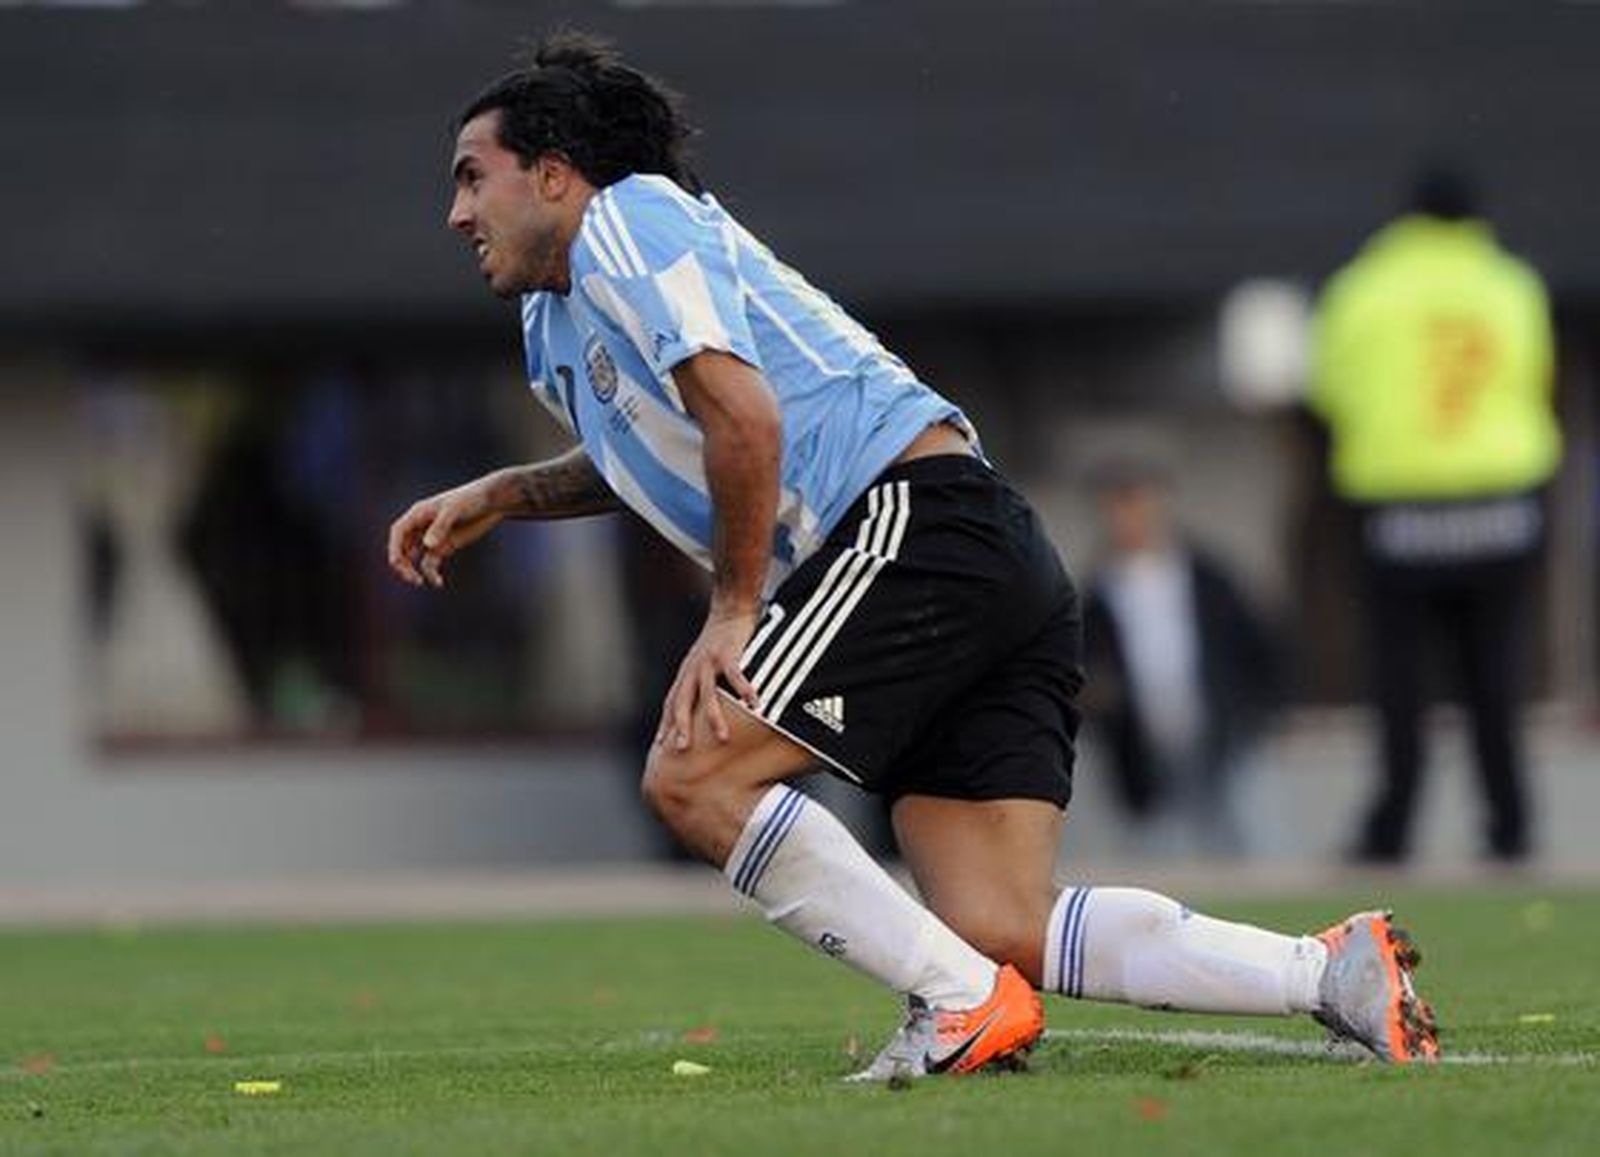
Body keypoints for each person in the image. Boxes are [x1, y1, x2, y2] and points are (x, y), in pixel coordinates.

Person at [387, 32, 1439, 1076]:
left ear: (558, 175)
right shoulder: (552, 318)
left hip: (906, 522)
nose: (457, 213)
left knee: (693, 773)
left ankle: (958, 1005)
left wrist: (732, 610)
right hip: (972, 546)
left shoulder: (627, 217)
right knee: (1000, 924)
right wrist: (505, 492)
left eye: (473, 178)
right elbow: (661, 448)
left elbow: (743, 420)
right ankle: (1326, 971)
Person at [1310, 165, 1562, 865]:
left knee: (1400, 681)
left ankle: (1392, 829)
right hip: (1502, 497)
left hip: (1398, 502)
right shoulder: (1512, 285)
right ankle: (1510, 825)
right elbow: (1534, 378)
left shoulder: (1362, 288)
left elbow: (1330, 389)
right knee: (1495, 673)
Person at [1082, 460, 1283, 857]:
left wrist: (1261, 712)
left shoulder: (1210, 577)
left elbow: (1259, 646)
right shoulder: (1098, 590)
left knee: (1235, 835)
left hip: (1220, 730)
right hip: (1139, 740)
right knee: (1155, 846)